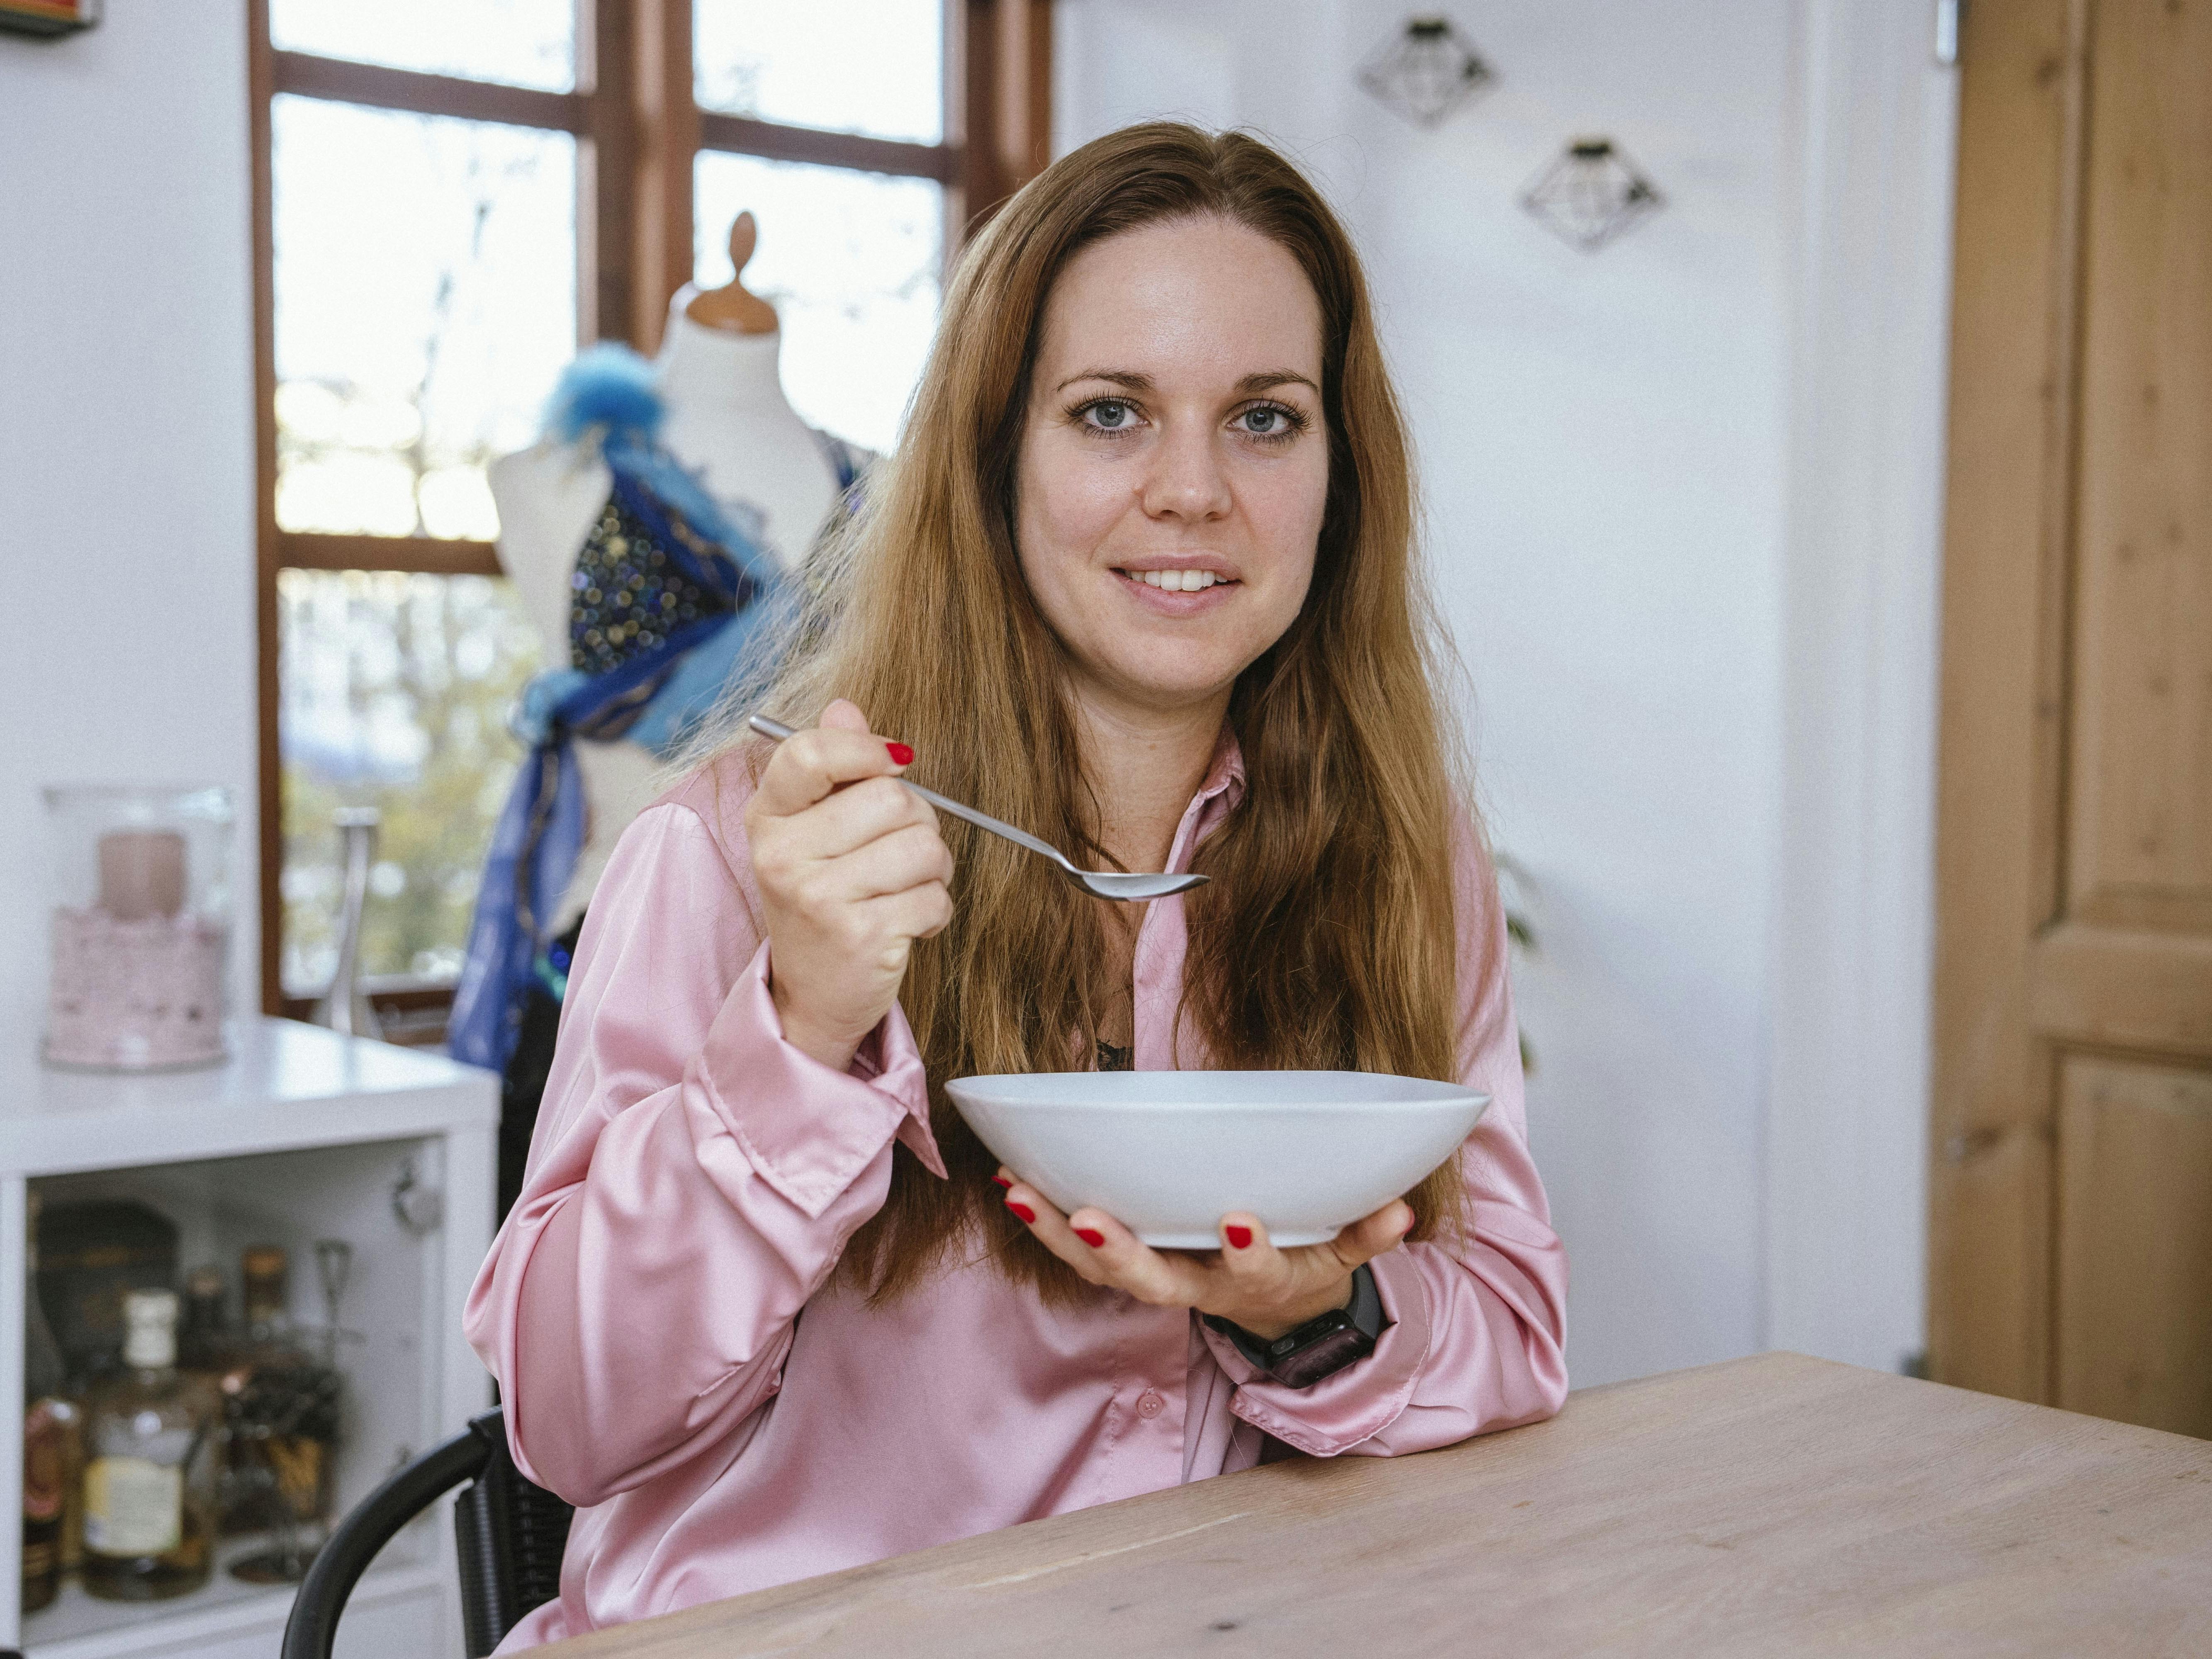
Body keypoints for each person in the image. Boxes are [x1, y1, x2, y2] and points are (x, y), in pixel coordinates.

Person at [465, 121, 1569, 1650]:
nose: (1192, 490)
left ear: (1342, 474)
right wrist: (793, 1033)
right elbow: (569, 1423)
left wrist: (1314, 1313)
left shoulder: (1403, 851)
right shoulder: (743, 847)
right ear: (992, 458)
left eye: (1265, 419)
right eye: (1110, 412)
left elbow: (1512, 1333)